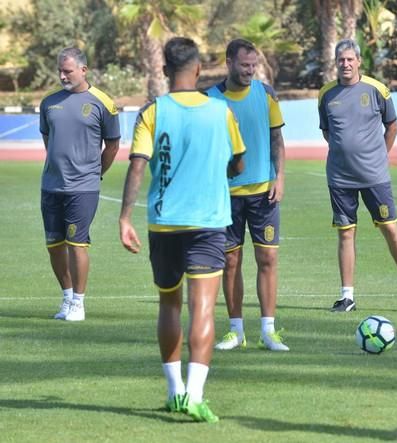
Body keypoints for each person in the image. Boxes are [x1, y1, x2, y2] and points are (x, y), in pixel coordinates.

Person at [119, 37, 245, 423]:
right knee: (203, 307)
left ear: (164, 71)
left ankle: (174, 393)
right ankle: (195, 394)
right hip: (208, 222)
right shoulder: (220, 111)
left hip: (164, 223)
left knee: (169, 304)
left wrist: (124, 218)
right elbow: (238, 165)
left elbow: (137, 165)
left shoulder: (152, 112)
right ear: (199, 69)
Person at [317, 38, 397, 313]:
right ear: (336, 63)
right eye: (341, 60)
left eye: (350, 59)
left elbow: (392, 126)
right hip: (340, 178)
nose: (345, 64)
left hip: (374, 176)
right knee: (346, 234)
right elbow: (327, 131)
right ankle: (347, 297)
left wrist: (380, 157)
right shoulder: (326, 94)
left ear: (358, 61)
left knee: (390, 228)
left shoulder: (377, 89)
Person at [207, 38, 289, 351]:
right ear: (228, 62)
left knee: (267, 257)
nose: (250, 71)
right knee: (231, 262)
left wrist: (279, 177)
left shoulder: (266, 93)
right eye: (244, 65)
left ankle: (268, 332)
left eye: (253, 65)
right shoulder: (211, 99)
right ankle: (235, 330)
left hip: (263, 193)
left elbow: (277, 139)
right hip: (226, 195)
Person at [40, 47, 120, 322]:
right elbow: (48, 139)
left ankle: (79, 303)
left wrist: (96, 173)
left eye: (68, 71)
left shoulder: (102, 102)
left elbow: (112, 145)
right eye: (60, 71)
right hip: (51, 185)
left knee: (77, 243)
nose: (63, 75)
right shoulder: (48, 103)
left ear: (84, 70)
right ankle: (66, 296)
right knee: (54, 244)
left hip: (83, 187)